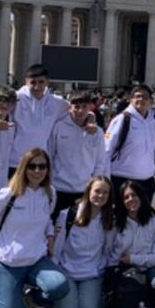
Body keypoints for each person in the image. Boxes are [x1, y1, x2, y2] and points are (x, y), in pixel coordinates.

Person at [0, 148, 70, 308]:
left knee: (60, 287)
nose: (37, 171)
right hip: (7, 262)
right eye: (32, 166)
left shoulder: (50, 193)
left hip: (36, 261)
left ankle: (29, 297)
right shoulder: (9, 194)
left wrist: (50, 235)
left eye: (42, 166)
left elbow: (46, 219)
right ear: (24, 168)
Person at [51, 175, 117, 308]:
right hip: (67, 270)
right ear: (88, 191)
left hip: (92, 273)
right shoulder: (68, 214)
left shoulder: (109, 219)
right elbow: (57, 247)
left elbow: (108, 249)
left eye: (105, 192)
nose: (100, 196)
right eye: (97, 191)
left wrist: (103, 268)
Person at [48, 92, 110, 222]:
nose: (80, 110)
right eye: (76, 107)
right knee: (55, 229)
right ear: (69, 107)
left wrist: (93, 185)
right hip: (59, 188)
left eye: (84, 106)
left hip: (84, 190)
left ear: (90, 108)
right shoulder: (58, 127)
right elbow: (50, 156)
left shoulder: (97, 132)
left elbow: (100, 161)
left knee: (79, 230)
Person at [108, 181, 155, 296]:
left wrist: (132, 259)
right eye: (126, 197)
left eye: (134, 195)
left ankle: (148, 302)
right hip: (122, 268)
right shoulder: (116, 221)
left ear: (141, 196)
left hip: (148, 268)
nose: (130, 199)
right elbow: (110, 251)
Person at [8, 64, 69, 178]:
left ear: (47, 82)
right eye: (33, 82)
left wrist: (91, 116)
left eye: (41, 82)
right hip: (15, 161)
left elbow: (76, 111)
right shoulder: (15, 98)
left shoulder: (56, 102)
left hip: (39, 163)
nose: (37, 87)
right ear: (26, 81)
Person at [104, 84, 155, 199]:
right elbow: (106, 150)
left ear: (151, 101)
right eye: (137, 96)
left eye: (145, 97)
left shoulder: (153, 121)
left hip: (146, 181)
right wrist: (105, 179)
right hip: (122, 180)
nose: (141, 99)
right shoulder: (122, 119)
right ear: (131, 100)